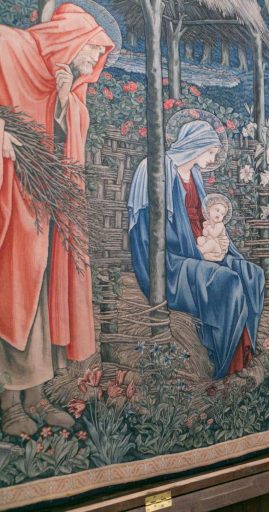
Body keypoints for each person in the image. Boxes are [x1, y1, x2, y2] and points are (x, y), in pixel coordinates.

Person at [0, 3, 114, 436]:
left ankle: (35, 396)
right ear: (72, 37)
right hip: (10, 196)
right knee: (14, 291)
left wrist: (65, 101)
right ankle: (9, 403)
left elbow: (67, 140)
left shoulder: (63, 80)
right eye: (95, 49)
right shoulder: (8, 48)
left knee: (43, 293)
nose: (97, 60)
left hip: (44, 205)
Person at [128, 120, 265, 380]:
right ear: (196, 145)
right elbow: (150, 231)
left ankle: (244, 356)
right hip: (170, 260)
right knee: (228, 281)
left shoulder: (194, 175)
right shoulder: (155, 168)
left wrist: (219, 246)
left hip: (198, 247)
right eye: (211, 152)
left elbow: (204, 218)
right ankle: (227, 363)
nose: (213, 159)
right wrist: (197, 249)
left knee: (251, 274)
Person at [197, 193, 232, 262]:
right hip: (211, 247)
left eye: (222, 214)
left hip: (218, 248)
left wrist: (208, 227)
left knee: (211, 243)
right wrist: (205, 229)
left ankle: (201, 250)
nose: (219, 214)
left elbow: (214, 234)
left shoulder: (220, 225)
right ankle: (205, 254)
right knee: (200, 239)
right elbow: (205, 234)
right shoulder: (208, 222)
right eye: (217, 210)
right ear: (209, 209)